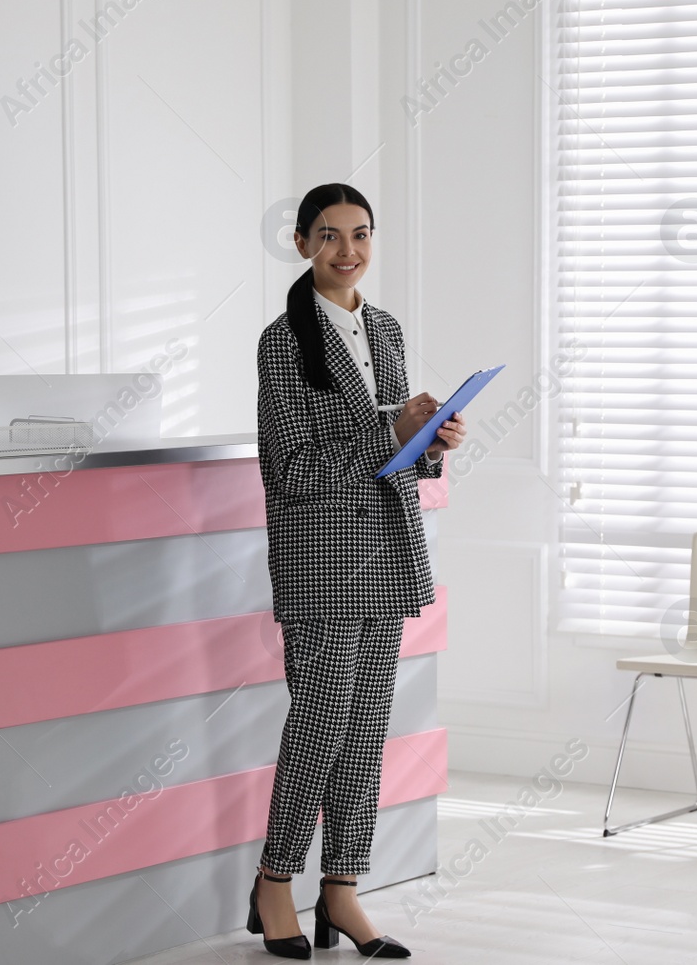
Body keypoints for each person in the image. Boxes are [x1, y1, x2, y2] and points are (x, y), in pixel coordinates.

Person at [247, 183, 465, 959]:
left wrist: (429, 442)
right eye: (331, 235)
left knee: (366, 729)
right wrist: (391, 431)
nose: (349, 250)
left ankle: (342, 886)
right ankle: (276, 878)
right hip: (321, 563)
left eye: (361, 233)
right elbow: (293, 467)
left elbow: (393, 456)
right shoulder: (284, 340)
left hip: (387, 551)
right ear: (302, 243)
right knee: (320, 724)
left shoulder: (386, 329)